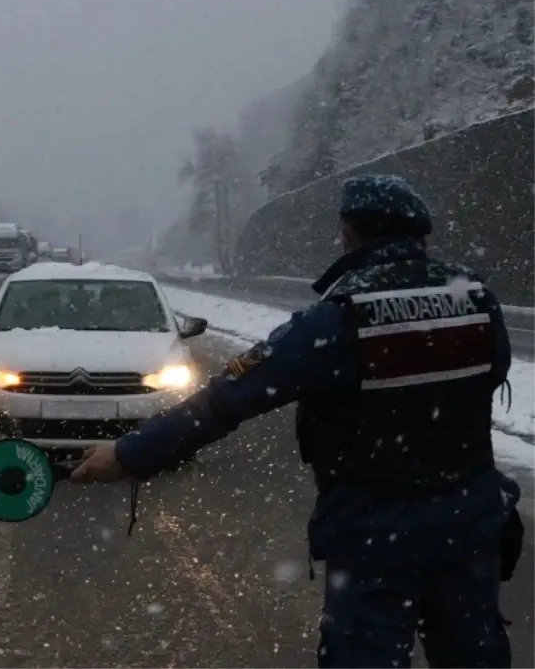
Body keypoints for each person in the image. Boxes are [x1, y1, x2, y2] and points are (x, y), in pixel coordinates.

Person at [70, 174, 523, 668]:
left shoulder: (336, 321)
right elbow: (489, 377)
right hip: (470, 524)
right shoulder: (476, 300)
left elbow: (229, 399)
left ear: (351, 233)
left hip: (375, 534)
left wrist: (131, 454)